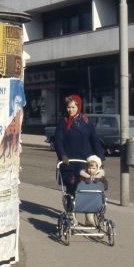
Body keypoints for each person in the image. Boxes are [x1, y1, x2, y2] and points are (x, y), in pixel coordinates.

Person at [54, 95, 105, 224]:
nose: (70, 110)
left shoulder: (86, 121)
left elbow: (95, 140)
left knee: (88, 188)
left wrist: (100, 157)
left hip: (85, 162)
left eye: (73, 107)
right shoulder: (63, 121)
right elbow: (58, 142)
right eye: (68, 107)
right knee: (72, 189)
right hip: (69, 162)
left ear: (79, 107)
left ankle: (89, 216)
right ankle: (71, 214)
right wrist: (62, 155)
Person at [79, 154, 108, 226]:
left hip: (97, 196)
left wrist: (99, 182)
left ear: (98, 168)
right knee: (89, 206)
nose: (91, 170)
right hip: (87, 196)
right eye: (89, 168)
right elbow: (80, 185)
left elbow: (105, 185)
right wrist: (86, 180)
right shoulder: (84, 175)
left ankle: (99, 217)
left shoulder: (100, 176)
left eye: (93, 168)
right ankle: (89, 219)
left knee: (102, 204)